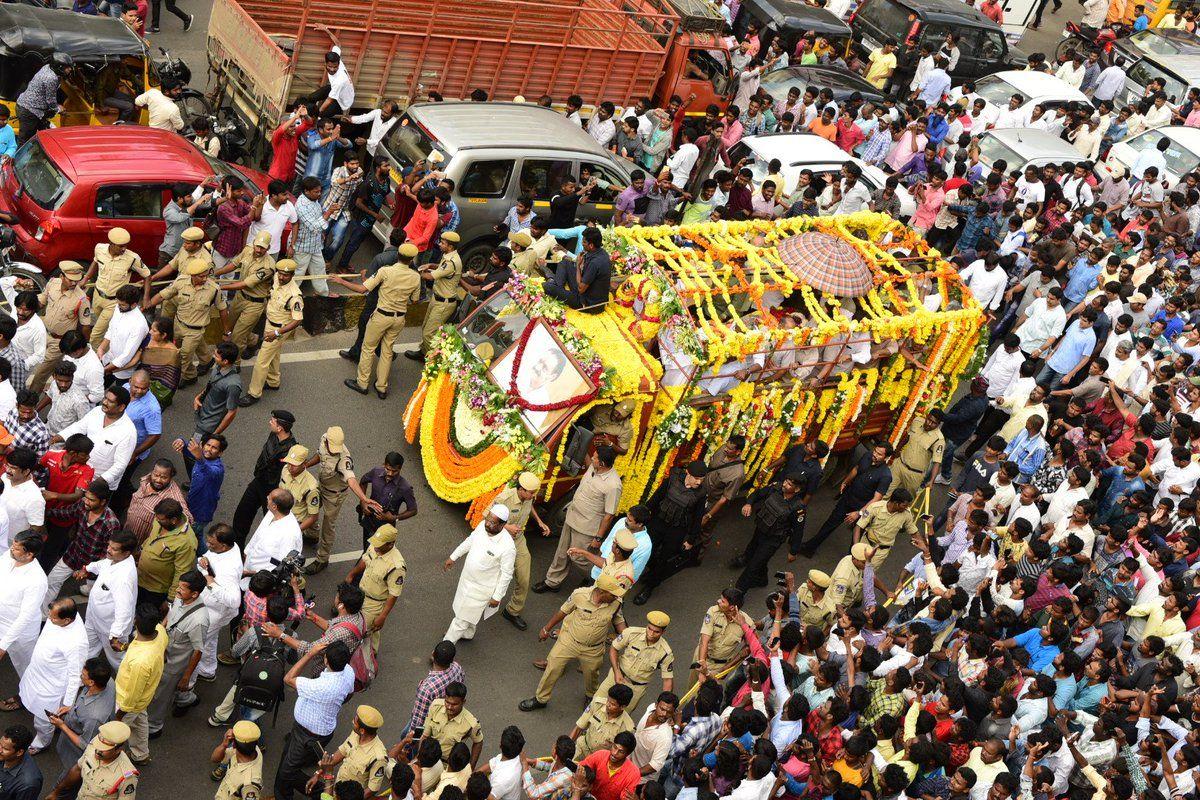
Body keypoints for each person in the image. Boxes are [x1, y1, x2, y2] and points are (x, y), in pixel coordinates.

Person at [519, 574, 627, 711]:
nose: (616, 597)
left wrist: (627, 639)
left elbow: (619, 621)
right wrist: (546, 629)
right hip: (569, 640)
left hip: (593, 649)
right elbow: (563, 611)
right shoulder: (579, 595)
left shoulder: (616, 603)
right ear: (602, 592)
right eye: (613, 594)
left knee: (592, 675)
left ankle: (590, 695)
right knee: (552, 667)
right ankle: (540, 699)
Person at [333, 242, 421, 400]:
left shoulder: (385, 271)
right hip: (399, 318)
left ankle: (362, 383)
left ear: (398, 255)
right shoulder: (415, 276)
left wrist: (341, 282)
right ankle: (381, 387)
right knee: (387, 352)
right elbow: (415, 300)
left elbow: (362, 289)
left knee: (368, 349)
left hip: (381, 316)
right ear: (412, 259)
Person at [271, 641, 355, 800]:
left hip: (307, 734)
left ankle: (320, 792)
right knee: (289, 759)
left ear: (326, 661)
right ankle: (283, 791)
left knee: (288, 771)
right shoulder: (349, 672)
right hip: (321, 731)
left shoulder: (321, 686)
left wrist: (309, 654)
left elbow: (289, 678)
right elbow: (350, 693)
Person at [535, 446, 621, 593]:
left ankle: (597, 578)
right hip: (571, 518)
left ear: (602, 464)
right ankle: (552, 582)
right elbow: (588, 464)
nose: (592, 459)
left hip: (586, 527)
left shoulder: (613, 485)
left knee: (580, 558)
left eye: (594, 457)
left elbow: (609, 515)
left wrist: (598, 538)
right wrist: (584, 446)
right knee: (562, 552)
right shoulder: (593, 468)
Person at [16, 598, 88, 754]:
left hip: (51, 686)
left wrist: (67, 704)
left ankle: (42, 742)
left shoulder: (76, 642)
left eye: (53, 617)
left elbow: (75, 675)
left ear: (67, 620)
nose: (49, 618)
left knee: (44, 719)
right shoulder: (57, 619)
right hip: (37, 674)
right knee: (33, 703)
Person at [143, 259, 228, 385]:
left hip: (195, 331)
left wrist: (226, 331)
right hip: (178, 324)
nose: (205, 279)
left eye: (206, 275)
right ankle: (193, 373)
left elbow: (223, 309)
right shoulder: (181, 282)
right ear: (192, 275)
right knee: (174, 347)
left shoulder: (214, 289)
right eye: (201, 276)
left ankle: (176, 379)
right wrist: (146, 306)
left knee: (183, 356)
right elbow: (163, 295)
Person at [632, 460, 707, 604]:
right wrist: (642, 516)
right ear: (688, 473)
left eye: (701, 479)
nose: (699, 482)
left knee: (663, 558)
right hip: (658, 522)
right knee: (649, 551)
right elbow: (656, 498)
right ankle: (652, 572)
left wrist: (691, 540)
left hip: (677, 529)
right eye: (696, 478)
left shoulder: (701, 494)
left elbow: (698, 517)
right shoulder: (672, 479)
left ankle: (649, 587)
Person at [146, 570, 209, 733]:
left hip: (174, 665)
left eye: (182, 588)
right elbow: (171, 615)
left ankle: (154, 726)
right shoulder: (181, 598)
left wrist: (186, 677)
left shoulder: (199, 621)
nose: (177, 590)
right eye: (179, 586)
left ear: (194, 594)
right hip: (165, 654)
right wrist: (161, 628)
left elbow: (197, 651)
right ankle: (186, 699)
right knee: (172, 689)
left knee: (160, 695)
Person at [443, 505, 517, 644]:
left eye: (492, 522)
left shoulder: (508, 547)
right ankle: (468, 633)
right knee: (463, 611)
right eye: (487, 519)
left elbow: (507, 574)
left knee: (461, 619)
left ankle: (444, 647)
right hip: (466, 580)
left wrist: (497, 596)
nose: (487, 524)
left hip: (481, 590)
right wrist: (454, 557)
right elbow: (470, 541)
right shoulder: (483, 526)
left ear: (503, 525)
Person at [237, 260, 304, 407]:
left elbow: (297, 321)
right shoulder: (276, 279)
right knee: (274, 353)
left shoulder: (294, 296)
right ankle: (273, 381)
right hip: (270, 323)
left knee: (261, 362)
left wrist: (276, 333)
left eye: (286, 275)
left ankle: (254, 393)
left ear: (292, 275)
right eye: (280, 273)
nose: (281, 277)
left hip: (279, 329)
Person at [230, 410, 297, 544]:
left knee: (271, 525)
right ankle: (238, 549)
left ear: (280, 428)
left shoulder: (292, 448)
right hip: (258, 482)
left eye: (272, 421)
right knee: (241, 516)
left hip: (273, 489)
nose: (269, 422)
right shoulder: (273, 435)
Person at [113, 605, 168, 766]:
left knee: (114, 734)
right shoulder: (160, 631)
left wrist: (119, 716)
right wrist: (124, 647)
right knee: (140, 723)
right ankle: (140, 754)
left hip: (127, 702)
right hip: (144, 698)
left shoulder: (140, 662)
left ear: (136, 623)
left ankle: (109, 760)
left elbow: (132, 695)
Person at [29, 261, 92, 393]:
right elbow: (42, 300)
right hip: (42, 333)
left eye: (77, 280)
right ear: (61, 276)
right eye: (71, 280)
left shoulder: (81, 299)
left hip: (59, 342)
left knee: (41, 373)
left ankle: (30, 400)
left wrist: (83, 346)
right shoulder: (52, 283)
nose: (74, 283)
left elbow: (86, 326)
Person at [79, 530, 138, 668]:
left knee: (117, 661)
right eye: (109, 546)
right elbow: (102, 564)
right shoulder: (114, 559)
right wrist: (87, 569)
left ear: (126, 553)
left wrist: (115, 635)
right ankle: (83, 676)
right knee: (87, 650)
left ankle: (126, 684)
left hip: (109, 628)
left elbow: (124, 609)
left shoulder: (123, 578)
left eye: (114, 549)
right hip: (94, 618)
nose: (108, 550)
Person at [48, 656, 115, 776]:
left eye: (83, 675)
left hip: (75, 751)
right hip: (76, 723)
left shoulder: (94, 717)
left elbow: (85, 744)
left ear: (91, 682)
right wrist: (72, 709)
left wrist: (62, 726)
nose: (80, 675)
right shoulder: (107, 681)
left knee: (70, 774)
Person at [344, 523, 406, 650]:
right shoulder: (375, 545)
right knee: (359, 628)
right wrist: (352, 574)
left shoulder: (396, 566)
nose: (375, 546)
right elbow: (365, 560)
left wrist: (382, 616)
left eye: (379, 544)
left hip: (374, 605)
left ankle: (370, 660)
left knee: (364, 633)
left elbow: (394, 594)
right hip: (360, 594)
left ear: (390, 544)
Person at [43, 720, 138, 800]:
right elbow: (77, 769)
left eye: (104, 749)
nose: (97, 751)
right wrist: (56, 792)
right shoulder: (94, 745)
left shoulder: (127, 776)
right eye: (98, 745)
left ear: (119, 750)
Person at [406, 231, 464, 361]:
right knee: (426, 326)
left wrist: (413, 270)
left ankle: (434, 360)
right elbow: (442, 268)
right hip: (438, 298)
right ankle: (423, 352)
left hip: (444, 303)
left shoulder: (452, 262)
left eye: (443, 243)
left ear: (450, 246)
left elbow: (429, 276)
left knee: (429, 334)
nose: (439, 244)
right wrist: (431, 265)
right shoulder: (449, 256)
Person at [310, 706, 388, 796]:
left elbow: (372, 789)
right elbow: (341, 752)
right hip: (337, 789)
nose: (352, 722)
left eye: (355, 722)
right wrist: (318, 773)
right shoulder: (356, 734)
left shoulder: (379, 757)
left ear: (362, 730)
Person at [0, 535, 48, 678]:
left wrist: (3, 645)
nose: (11, 549)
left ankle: (27, 696)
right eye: (13, 545)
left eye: (16, 548)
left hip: (20, 634)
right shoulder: (10, 556)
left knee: (25, 668)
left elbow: (25, 617)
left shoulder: (37, 580)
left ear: (29, 554)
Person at [134, 498, 195, 607]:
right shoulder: (160, 521)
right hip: (139, 577)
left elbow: (181, 572)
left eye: (161, 519)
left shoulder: (186, 542)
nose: (156, 520)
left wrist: (170, 599)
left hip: (155, 591)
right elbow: (151, 538)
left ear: (174, 520)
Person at [357, 451, 417, 549]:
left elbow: (413, 510)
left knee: (378, 555)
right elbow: (363, 482)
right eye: (387, 469)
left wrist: (394, 518)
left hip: (385, 529)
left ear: (400, 469)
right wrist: (363, 502)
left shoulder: (405, 488)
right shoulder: (376, 472)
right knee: (366, 551)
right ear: (384, 464)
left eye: (394, 471)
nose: (390, 473)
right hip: (369, 521)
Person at [210, 721, 263, 800]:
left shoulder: (249, 785)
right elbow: (214, 759)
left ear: (234, 744)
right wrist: (223, 745)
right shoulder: (253, 749)